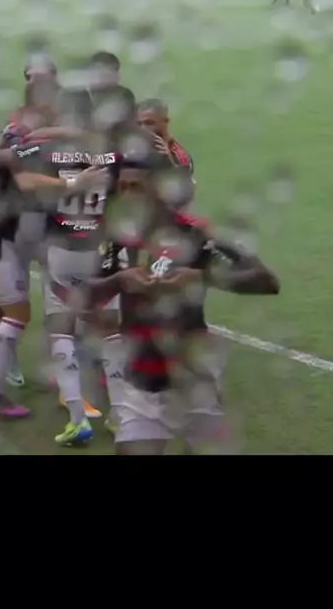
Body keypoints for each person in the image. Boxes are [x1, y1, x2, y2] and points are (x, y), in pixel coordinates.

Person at [86, 156, 280, 455]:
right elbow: (84, 296)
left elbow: (266, 280)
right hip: (141, 384)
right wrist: (119, 281)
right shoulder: (117, 237)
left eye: (136, 187)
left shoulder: (196, 234)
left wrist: (203, 277)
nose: (126, 195)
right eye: (122, 186)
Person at [15, 87, 139, 446]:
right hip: (100, 249)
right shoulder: (112, 152)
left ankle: (77, 420)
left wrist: (68, 180)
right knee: (111, 331)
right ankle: (122, 417)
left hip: (64, 248)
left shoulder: (50, 149)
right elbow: (125, 193)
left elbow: (22, 174)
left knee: (61, 328)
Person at [0, 126, 104, 419]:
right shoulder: (22, 168)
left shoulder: (7, 166)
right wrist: (74, 182)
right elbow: (27, 181)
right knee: (17, 315)